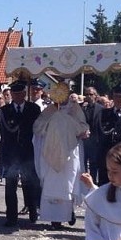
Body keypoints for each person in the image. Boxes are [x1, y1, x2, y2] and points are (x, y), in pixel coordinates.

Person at [33, 94, 89, 229]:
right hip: (51, 151)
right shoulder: (50, 110)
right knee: (52, 184)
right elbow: (38, 127)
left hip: (70, 153)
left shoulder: (75, 109)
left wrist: (74, 127)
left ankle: (69, 212)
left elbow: (83, 127)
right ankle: (54, 219)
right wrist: (51, 124)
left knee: (68, 183)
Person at [0, 81, 41, 227]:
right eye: (14, 94)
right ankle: (11, 217)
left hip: (28, 152)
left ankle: (33, 212)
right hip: (11, 154)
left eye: (20, 93)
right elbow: (2, 134)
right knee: (10, 186)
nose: (17, 96)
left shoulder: (33, 109)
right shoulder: (4, 111)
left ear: (24, 93)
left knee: (30, 184)